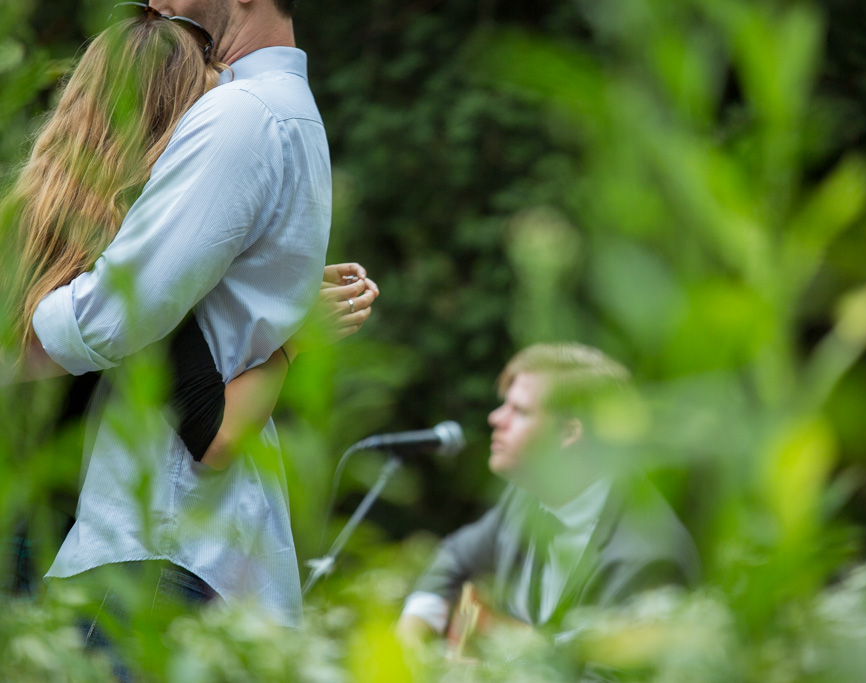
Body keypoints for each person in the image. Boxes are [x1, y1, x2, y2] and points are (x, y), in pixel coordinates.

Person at [4, 0, 356, 628]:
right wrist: (294, 338)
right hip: (120, 553)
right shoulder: (138, 283)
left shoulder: (36, 244)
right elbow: (211, 432)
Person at [396, 343, 700, 648]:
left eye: (520, 411)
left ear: (569, 433)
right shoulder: (525, 497)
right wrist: (414, 629)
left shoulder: (647, 556)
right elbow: (456, 556)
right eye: (505, 405)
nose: (495, 418)